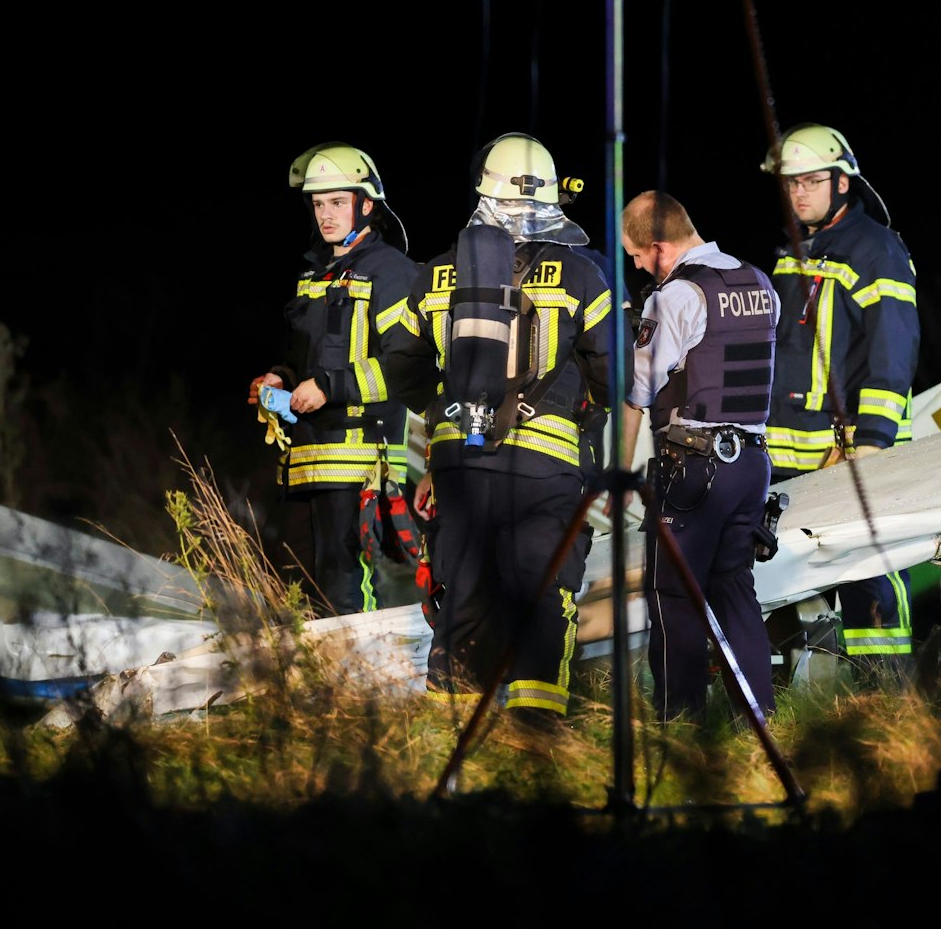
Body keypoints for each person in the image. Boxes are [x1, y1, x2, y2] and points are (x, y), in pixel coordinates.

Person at [383, 133, 613, 724]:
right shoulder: (583, 274)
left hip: (460, 463)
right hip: (545, 467)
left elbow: (402, 373)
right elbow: (615, 377)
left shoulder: (435, 275)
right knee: (542, 596)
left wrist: (445, 421)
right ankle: (536, 743)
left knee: (462, 597)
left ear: (483, 191)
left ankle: (448, 748)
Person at [761, 124, 921, 678]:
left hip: (850, 447)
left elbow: (892, 349)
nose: (798, 192)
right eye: (790, 183)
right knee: (770, 571)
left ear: (843, 181)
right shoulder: (793, 252)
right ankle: (777, 696)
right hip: (788, 449)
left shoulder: (877, 249)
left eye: (810, 180)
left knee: (867, 571)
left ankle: (887, 700)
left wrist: (872, 441)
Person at [618, 191, 778, 721]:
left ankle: (680, 724)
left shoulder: (677, 296)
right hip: (751, 464)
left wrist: (620, 472)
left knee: (674, 594)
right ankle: (756, 719)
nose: (637, 265)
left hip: (694, 467)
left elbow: (638, 391)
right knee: (734, 589)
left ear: (660, 247)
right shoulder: (759, 282)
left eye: (638, 255)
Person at [248, 143, 418, 617]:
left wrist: (328, 386)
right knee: (301, 596)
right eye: (318, 203)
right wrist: (279, 378)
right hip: (306, 458)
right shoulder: (313, 275)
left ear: (366, 204)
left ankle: (363, 692)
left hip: (361, 460)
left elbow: (406, 364)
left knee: (347, 596)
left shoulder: (393, 273)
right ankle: (323, 693)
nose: (326, 214)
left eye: (337, 202)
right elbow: (300, 357)